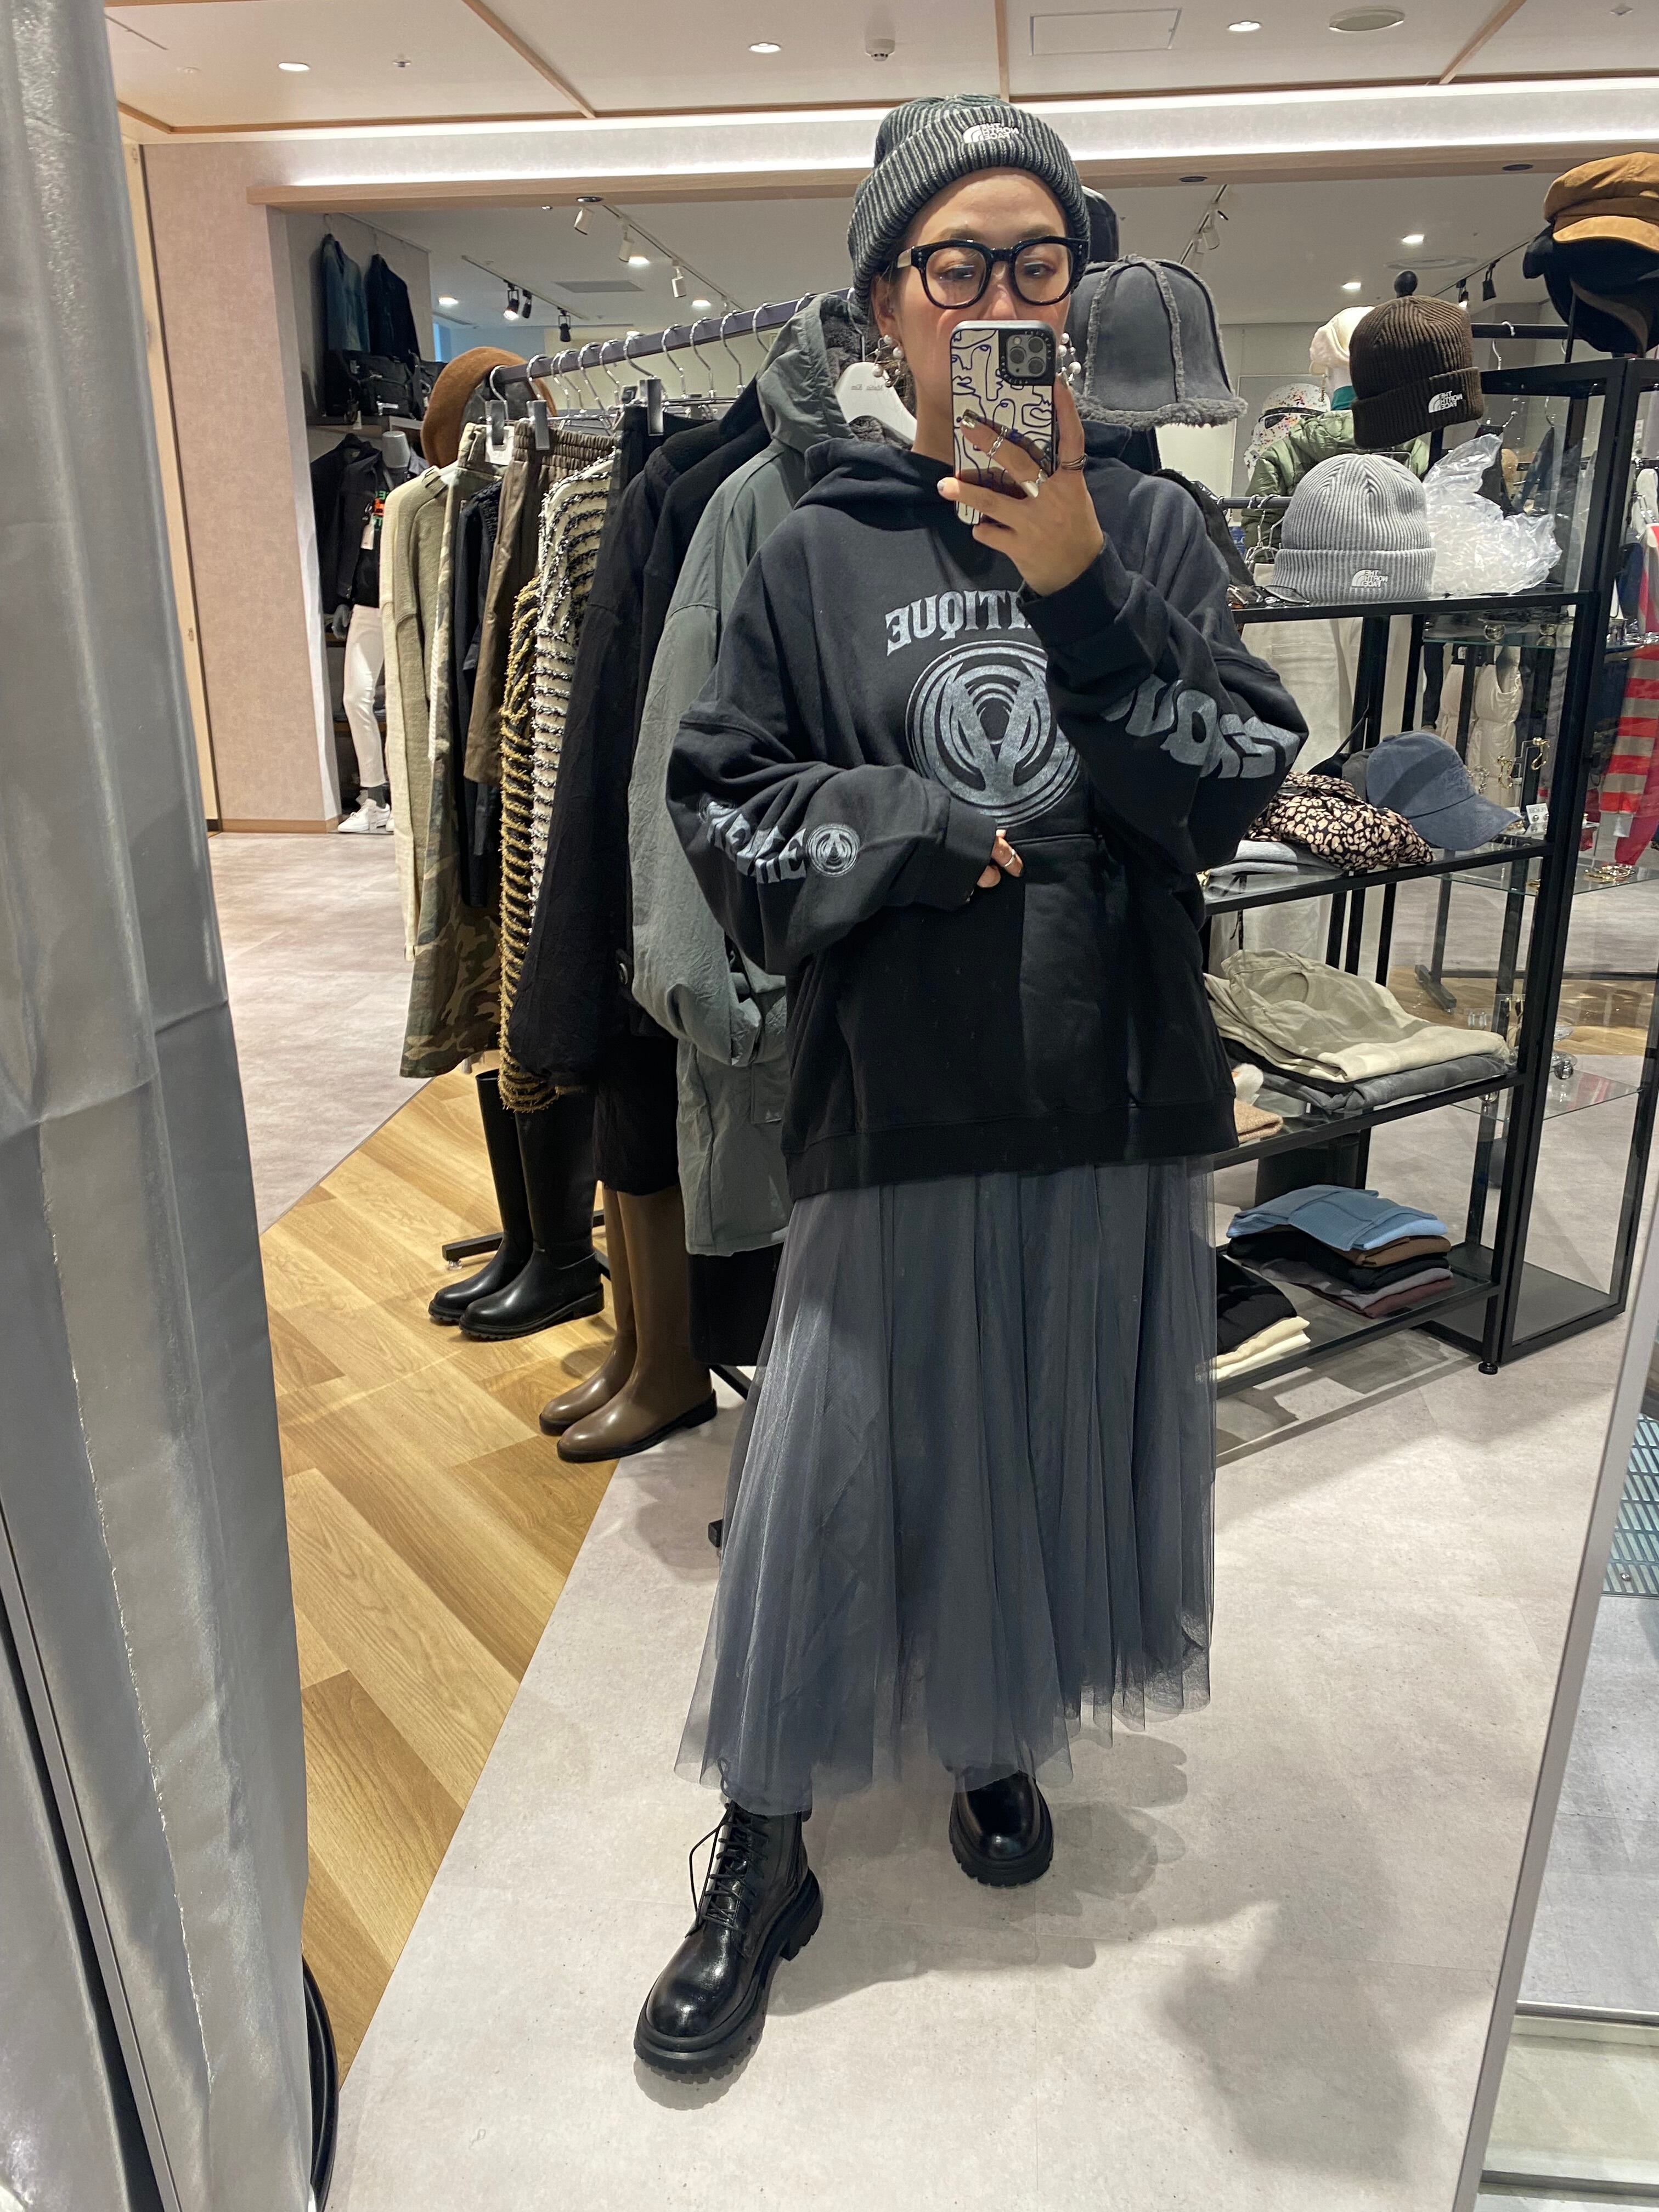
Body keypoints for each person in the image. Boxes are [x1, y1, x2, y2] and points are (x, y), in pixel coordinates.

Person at [634, 95, 1305, 2081]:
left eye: (1041, 263)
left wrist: (1085, 583)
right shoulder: (807, 543)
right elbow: (723, 810)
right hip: (901, 1096)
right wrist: (912, 826)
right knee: (825, 1475)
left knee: (1044, 1439)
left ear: (1074, 299)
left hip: (1109, 1090)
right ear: (885, 304)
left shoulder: (1156, 527)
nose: (1003, 298)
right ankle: (764, 1840)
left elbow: (1230, 784)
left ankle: (997, 1728)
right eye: (960, 264)